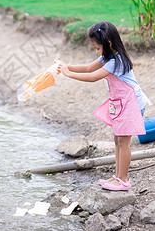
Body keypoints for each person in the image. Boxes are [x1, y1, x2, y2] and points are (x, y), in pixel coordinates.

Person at [57, 21, 149, 191]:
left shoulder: (116, 62)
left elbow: (93, 77)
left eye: (97, 48)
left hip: (131, 103)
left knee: (123, 142)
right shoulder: (108, 57)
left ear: (109, 44)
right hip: (122, 103)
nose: (97, 52)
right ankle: (117, 177)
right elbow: (87, 68)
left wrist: (68, 74)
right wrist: (65, 66)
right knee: (118, 140)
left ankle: (123, 180)